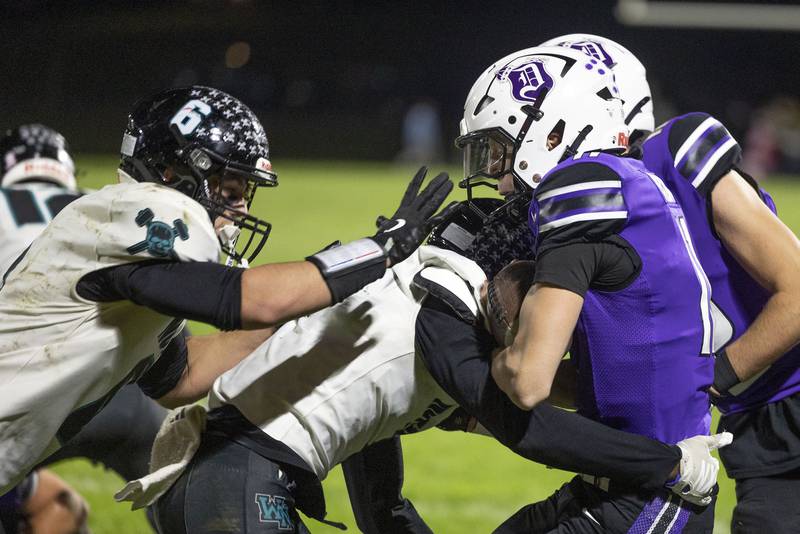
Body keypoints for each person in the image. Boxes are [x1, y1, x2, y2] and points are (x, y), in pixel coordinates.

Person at [117, 200, 728, 534]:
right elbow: (529, 430)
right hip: (235, 483)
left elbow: (367, 449)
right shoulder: (441, 304)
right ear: (503, 271)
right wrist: (668, 462)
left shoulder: (424, 323)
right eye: (538, 291)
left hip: (228, 482)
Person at [0, 85, 454, 496]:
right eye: (231, 190)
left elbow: (180, 376)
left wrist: (302, 313)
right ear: (175, 174)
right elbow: (245, 300)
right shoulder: (141, 212)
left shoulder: (128, 257)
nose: (237, 211)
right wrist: (376, 251)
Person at [541, 33, 800, 534]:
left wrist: (707, 381)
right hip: (755, 427)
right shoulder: (589, 214)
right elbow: (616, 383)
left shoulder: (674, 153)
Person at [454, 45, 717, 532]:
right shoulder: (631, 183)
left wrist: (464, 356)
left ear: (554, 133)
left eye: (500, 151)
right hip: (631, 480)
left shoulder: (579, 193)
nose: (498, 178)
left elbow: (529, 381)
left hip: (651, 496)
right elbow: (609, 377)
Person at [0, 123, 167, 533]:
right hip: (119, 396)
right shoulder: (99, 204)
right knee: (181, 492)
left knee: (26, 506)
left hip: (20, 402)